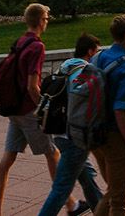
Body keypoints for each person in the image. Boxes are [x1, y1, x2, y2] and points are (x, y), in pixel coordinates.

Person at [0, 3, 61, 216]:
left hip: (13, 108)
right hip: (27, 111)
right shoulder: (37, 47)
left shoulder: (20, 41)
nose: (47, 22)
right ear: (40, 20)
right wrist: (44, 108)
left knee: (8, 159)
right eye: (46, 19)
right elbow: (32, 86)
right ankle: (70, 204)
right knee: (53, 153)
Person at [37, 33, 103, 216]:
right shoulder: (84, 70)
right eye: (96, 51)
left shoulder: (66, 65)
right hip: (74, 136)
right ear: (90, 52)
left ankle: (102, 210)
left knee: (88, 177)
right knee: (61, 189)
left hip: (59, 132)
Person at [90, 13, 125, 216]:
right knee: (119, 199)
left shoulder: (99, 56)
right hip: (113, 136)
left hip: (94, 134)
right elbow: (120, 108)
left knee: (112, 192)